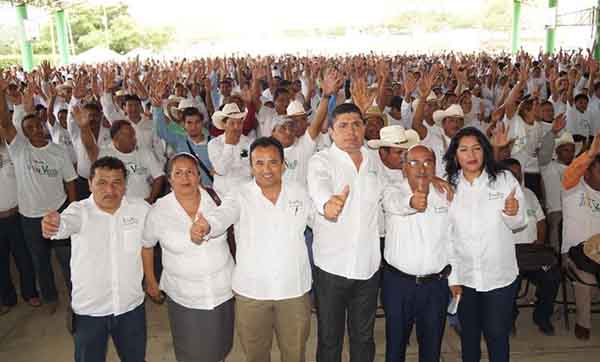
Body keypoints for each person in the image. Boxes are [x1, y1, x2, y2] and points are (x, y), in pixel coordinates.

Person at [197, 137, 313, 362]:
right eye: (259, 163)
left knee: (295, 352)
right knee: (255, 355)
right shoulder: (240, 194)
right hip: (252, 291)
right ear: (251, 166)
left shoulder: (299, 191)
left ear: (283, 164)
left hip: (293, 289)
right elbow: (223, 214)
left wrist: (332, 209)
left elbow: (320, 219)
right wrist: (206, 224)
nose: (266, 169)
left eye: (272, 162)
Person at [41, 156, 149, 362]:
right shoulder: (79, 211)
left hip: (130, 307)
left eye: (116, 182)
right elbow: (63, 224)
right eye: (101, 183)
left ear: (125, 185)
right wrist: (52, 224)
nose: (110, 190)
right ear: (90, 184)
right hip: (89, 311)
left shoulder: (140, 209)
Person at [307, 102, 386, 362]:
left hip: (367, 266)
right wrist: (327, 204)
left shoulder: (374, 159)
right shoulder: (321, 160)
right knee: (330, 339)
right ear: (331, 131)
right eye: (343, 125)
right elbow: (319, 187)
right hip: (331, 267)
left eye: (356, 124)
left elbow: (390, 192)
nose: (351, 131)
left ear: (364, 128)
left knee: (363, 338)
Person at [142, 153, 235, 362]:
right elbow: (147, 246)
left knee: (220, 345)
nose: (185, 178)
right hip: (184, 295)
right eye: (179, 173)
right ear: (170, 179)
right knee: (191, 349)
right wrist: (150, 280)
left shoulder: (216, 199)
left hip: (221, 289)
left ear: (199, 177)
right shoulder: (159, 210)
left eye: (190, 172)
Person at [444, 127, 526, 362]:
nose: (471, 155)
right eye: (464, 149)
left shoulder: (503, 179)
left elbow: (519, 222)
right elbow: (448, 236)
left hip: (499, 276)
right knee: (469, 337)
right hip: (466, 278)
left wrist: (513, 212)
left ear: (485, 151)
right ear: (455, 155)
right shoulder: (449, 186)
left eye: (477, 148)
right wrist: (454, 278)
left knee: (497, 335)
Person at [0, 83, 77, 313]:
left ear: (42, 125)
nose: (33, 129)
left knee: (67, 259)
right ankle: (50, 298)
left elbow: (70, 181)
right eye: (28, 127)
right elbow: (4, 122)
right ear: (22, 132)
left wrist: (71, 211)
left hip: (58, 211)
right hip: (30, 218)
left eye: (36, 124)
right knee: (39, 260)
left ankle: (77, 297)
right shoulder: (19, 149)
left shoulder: (57, 151)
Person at [381, 144, 454, 362]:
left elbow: (452, 239)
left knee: (431, 348)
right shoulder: (392, 190)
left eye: (427, 162)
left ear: (435, 166)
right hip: (398, 284)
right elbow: (395, 205)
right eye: (413, 162)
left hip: (436, 285)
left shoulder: (445, 195)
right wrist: (413, 201)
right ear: (404, 167)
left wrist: (455, 279)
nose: (421, 168)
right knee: (395, 347)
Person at [502, 158, 560, 336]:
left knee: (552, 275)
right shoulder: (498, 197)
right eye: (512, 173)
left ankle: (542, 316)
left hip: (533, 251)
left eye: (519, 172)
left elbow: (541, 221)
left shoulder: (529, 194)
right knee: (510, 281)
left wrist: (540, 240)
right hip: (510, 253)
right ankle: (509, 319)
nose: (517, 175)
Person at [72, 110, 165, 204]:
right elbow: (90, 146)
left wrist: (151, 199)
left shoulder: (145, 153)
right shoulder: (106, 155)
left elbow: (159, 176)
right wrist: (84, 127)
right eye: (129, 135)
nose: (134, 138)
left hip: (143, 204)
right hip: (116, 205)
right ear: (116, 138)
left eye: (133, 135)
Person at [561, 133, 600, 340]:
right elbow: (571, 173)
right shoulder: (573, 189)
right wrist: (590, 154)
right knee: (585, 278)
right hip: (574, 254)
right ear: (587, 172)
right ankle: (583, 322)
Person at [0, 132, 39, 313]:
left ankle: (30, 293)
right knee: (1, 262)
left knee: (24, 256)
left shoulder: (12, 151)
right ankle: (7, 298)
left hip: (16, 215)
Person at [208, 103, 252, 197]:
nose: (236, 127)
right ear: (224, 125)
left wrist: (225, 172)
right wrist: (229, 145)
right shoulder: (214, 144)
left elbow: (249, 170)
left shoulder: (249, 143)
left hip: (245, 194)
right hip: (223, 196)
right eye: (232, 123)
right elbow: (221, 170)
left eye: (239, 123)